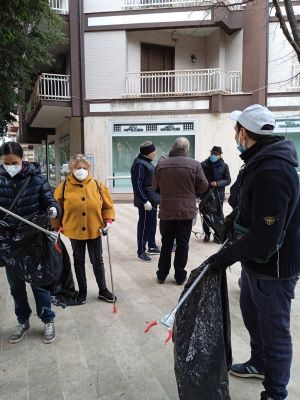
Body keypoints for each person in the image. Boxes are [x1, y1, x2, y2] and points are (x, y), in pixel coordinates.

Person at [207, 104, 300, 400]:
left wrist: (224, 257)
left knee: (275, 331)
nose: (235, 134)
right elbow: (245, 204)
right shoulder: (258, 161)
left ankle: (274, 392)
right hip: (254, 263)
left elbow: (266, 234)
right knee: (251, 314)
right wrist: (233, 221)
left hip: (274, 267)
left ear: (244, 133)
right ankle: (259, 363)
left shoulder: (274, 171)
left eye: (236, 129)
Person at [0, 142, 59, 344]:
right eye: (6, 163)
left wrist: (53, 210)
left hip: (34, 239)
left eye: (14, 162)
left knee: (39, 282)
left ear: (22, 159)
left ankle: (47, 319)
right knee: (15, 285)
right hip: (10, 242)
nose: (10, 166)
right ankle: (22, 320)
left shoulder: (36, 178)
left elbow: (51, 201)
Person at [53, 154, 116, 305]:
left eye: (84, 168)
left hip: (95, 229)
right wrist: (55, 226)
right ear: (71, 169)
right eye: (77, 168)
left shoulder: (96, 184)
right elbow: (57, 209)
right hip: (75, 231)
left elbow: (107, 206)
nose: (81, 170)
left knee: (97, 260)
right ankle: (82, 291)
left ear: (88, 169)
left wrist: (108, 220)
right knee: (79, 261)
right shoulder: (63, 187)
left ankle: (103, 289)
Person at [153, 137, 208, 284]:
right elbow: (203, 186)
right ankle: (180, 276)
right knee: (183, 244)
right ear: (187, 150)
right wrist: (191, 191)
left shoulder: (161, 164)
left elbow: (155, 187)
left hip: (167, 210)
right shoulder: (195, 165)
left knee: (166, 243)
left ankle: (162, 274)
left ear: (173, 147)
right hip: (185, 211)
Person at [130, 141, 160, 262]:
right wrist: (144, 201)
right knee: (144, 226)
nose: (155, 153)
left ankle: (151, 245)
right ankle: (141, 251)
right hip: (146, 201)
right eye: (153, 151)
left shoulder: (146, 162)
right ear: (148, 153)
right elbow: (137, 184)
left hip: (152, 200)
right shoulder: (140, 164)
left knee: (152, 224)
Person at [200, 146, 231, 242]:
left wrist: (218, 183)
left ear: (220, 155)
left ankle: (218, 235)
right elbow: (199, 179)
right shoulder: (203, 164)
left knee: (218, 216)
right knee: (206, 214)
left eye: (216, 154)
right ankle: (206, 234)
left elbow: (228, 180)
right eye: (212, 154)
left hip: (218, 194)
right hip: (206, 193)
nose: (213, 156)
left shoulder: (224, 166)